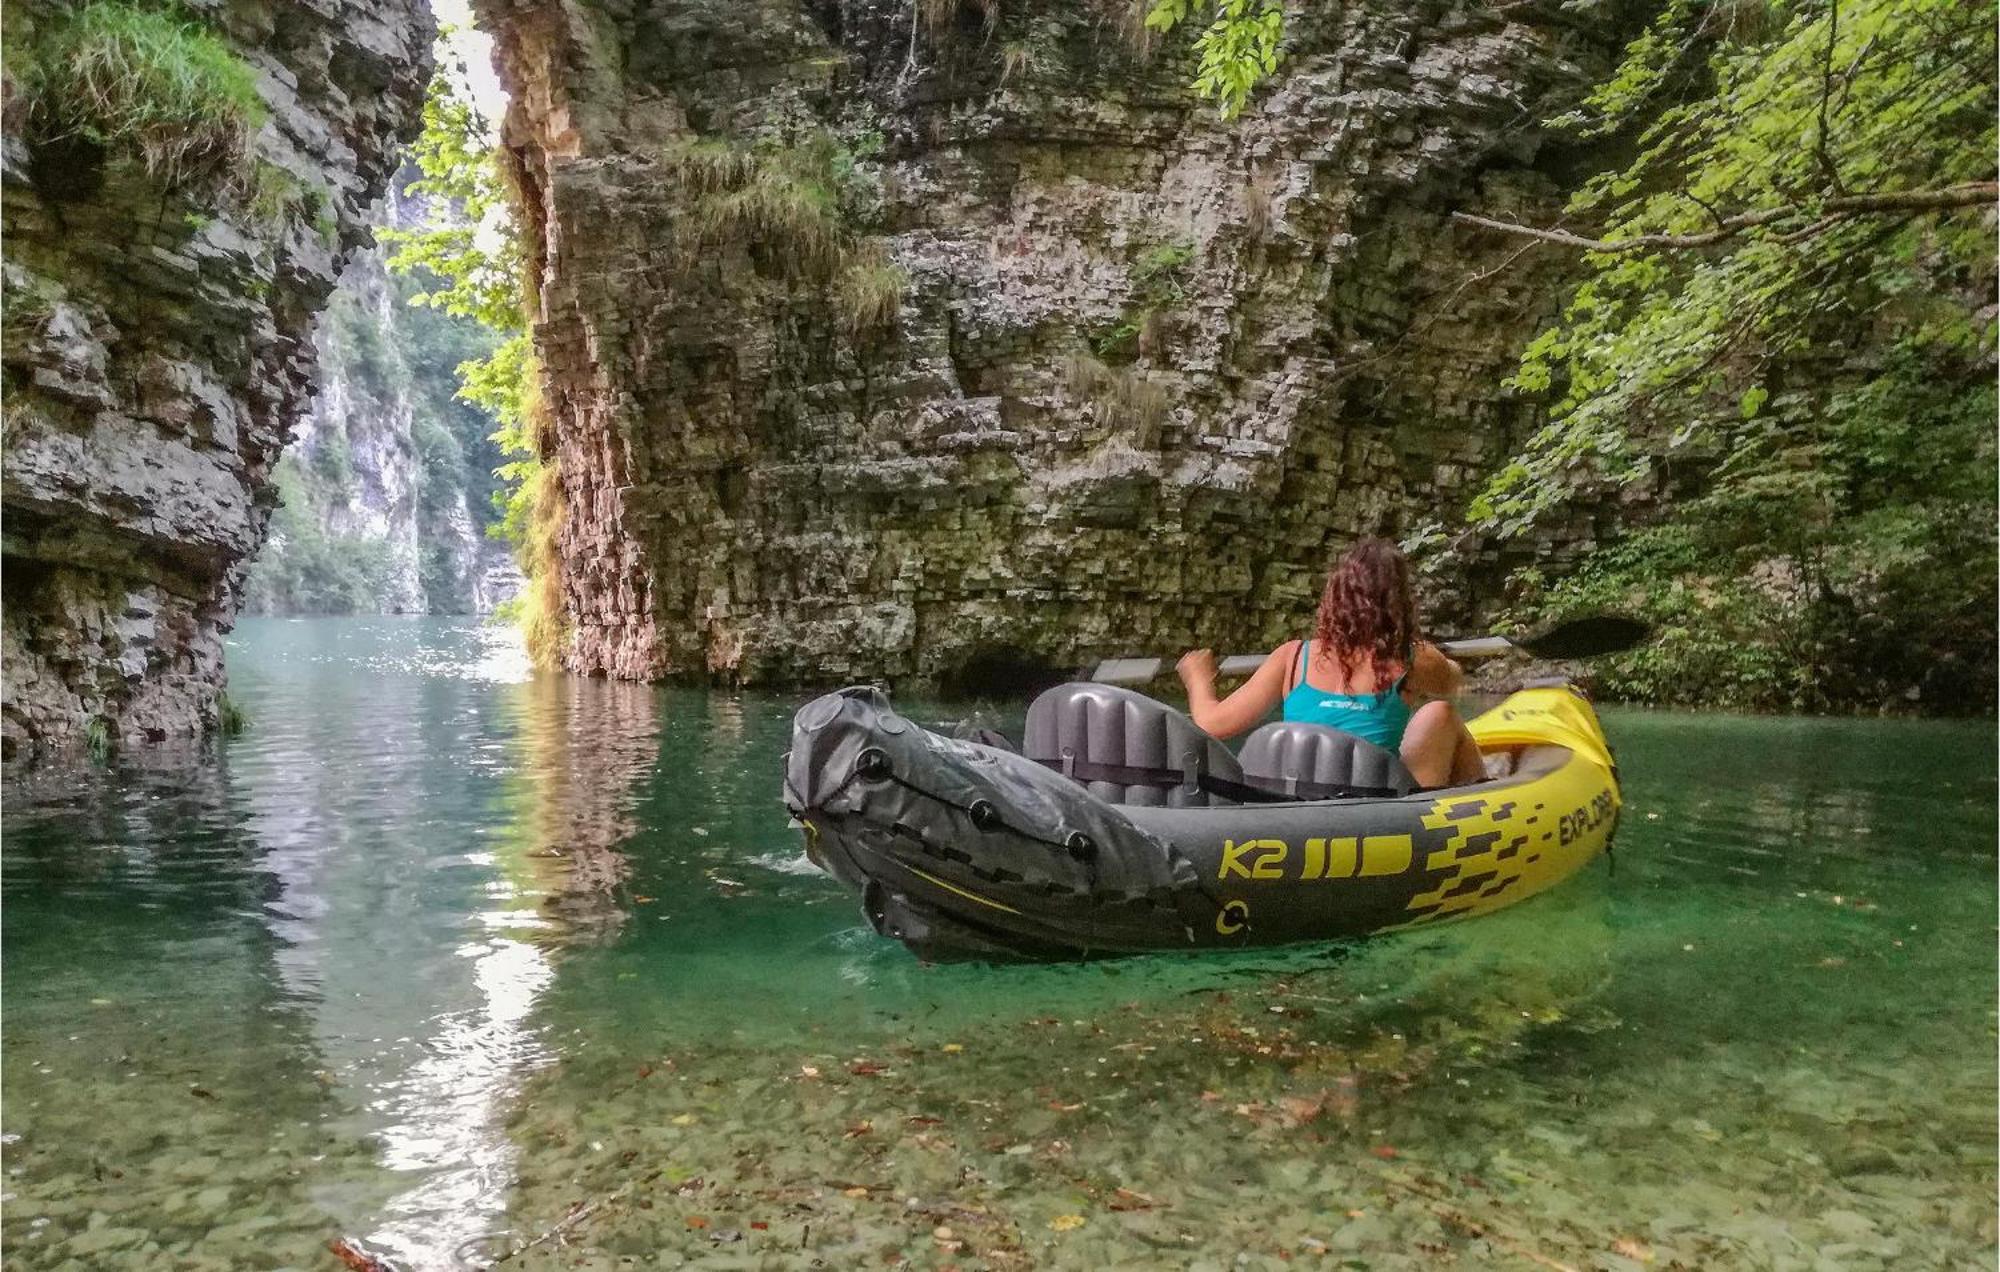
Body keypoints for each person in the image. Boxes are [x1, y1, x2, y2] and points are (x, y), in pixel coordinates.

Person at [1175, 538, 1484, 788]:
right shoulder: (1412, 660)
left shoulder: (1292, 657)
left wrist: (1198, 678)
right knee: (1440, 713)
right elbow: (1452, 682)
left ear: (1335, 597)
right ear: (1399, 602)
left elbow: (1211, 724)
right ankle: (1483, 802)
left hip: (1300, 801)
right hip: (1377, 808)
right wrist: (1439, 660)